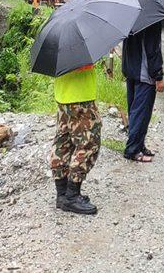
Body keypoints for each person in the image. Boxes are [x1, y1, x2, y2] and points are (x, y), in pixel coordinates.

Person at [50, 63, 101, 215]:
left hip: (63, 95)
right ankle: (72, 196)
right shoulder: (80, 45)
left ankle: (62, 194)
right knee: (88, 143)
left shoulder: (61, 46)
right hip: (81, 97)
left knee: (62, 142)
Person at [121, 21, 164, 163]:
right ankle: (132, 150)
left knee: (134, 111)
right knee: (141, 114)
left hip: (131, 70)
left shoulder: (130, 16)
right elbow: (153, 49)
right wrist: (158, 76)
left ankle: (139, 145)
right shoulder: (152, 19)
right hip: (145, 74)